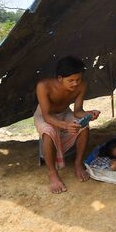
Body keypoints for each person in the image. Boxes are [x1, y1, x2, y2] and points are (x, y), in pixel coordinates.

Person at [34, 56, 101, 193]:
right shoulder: (44, 86)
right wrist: (65, 125)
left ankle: (78, 164)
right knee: (48, 132)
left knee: (84, 127)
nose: (75, 84)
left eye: (78, 79)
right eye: (70, 80)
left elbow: (77, 111)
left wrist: (88, 114)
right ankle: (52, 173)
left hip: (65, 112)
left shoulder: (81, 85)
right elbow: (47, 116)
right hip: (44, 114)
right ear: (60, 78)